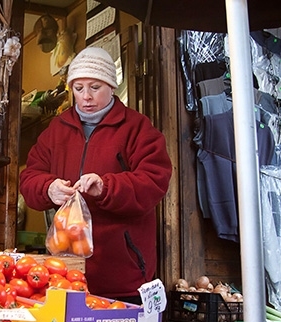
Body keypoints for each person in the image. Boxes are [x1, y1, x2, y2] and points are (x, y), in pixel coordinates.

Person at [19, 46, 172, 303]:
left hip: (123, 273)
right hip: (66, 273)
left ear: (111, 87)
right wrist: (48, 188)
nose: (86, 97)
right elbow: (30, 177)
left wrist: (106, 187)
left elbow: (155, 180)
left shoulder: (137, 128)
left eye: (95, 87)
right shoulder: (57, 129)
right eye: (78, 88)